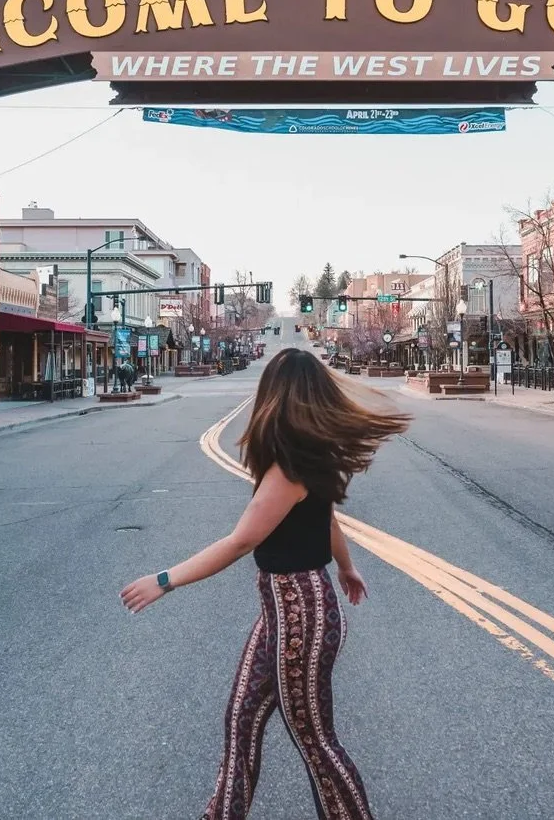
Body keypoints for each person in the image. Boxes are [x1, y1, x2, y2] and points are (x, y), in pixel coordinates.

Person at [121, 348, 411, 820]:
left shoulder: (289, 470)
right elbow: (327, 519)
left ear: (275, 397)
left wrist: (164, 580)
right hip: (284, 612)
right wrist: (346, 566)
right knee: (242, 719)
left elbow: (240, 542)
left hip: (301, 618)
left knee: (314, 739)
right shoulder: (301, 458)